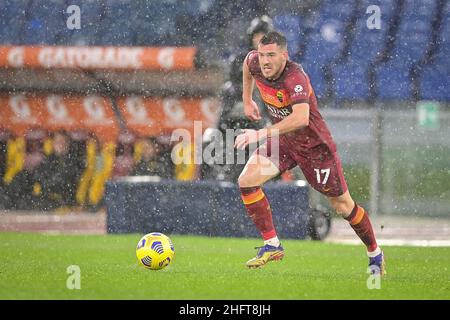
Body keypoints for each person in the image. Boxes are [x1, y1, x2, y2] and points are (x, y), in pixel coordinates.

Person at [234, 31, 385, 275]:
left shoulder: (295, 76)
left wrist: (260, 134)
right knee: (247, 181)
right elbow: (247, 64)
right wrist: (247, 98)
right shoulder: (254, 62)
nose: (265, 61)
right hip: (284, 141)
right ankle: (272, 245)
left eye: (271, 55)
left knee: (343, 206)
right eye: (262, 55)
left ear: (285, 55)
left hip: (315, 149)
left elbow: (301, 118)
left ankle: (375, 253)